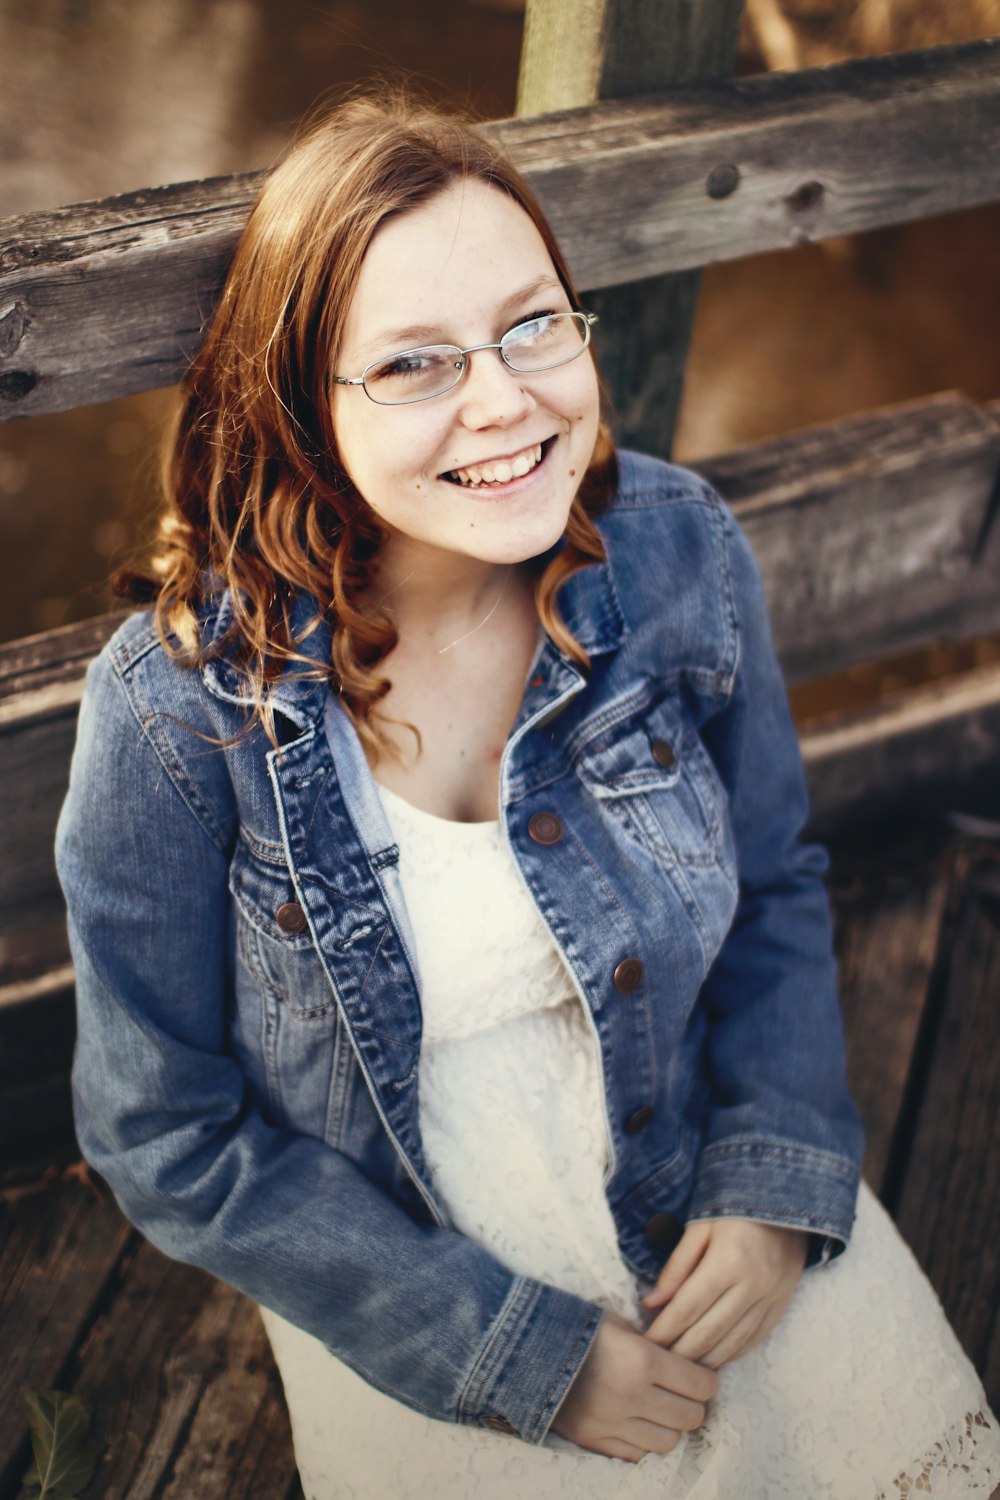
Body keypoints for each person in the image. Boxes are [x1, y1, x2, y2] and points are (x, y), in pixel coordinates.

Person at [56, 92, 1000, 1499]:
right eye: (416, 363)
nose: (506, 399)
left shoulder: (674, 558)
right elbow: (165, 1134)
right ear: (301, 403)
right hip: (410, 1264)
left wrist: (773, 1181)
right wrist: (511, 1354)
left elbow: (775, 887)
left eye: (534, 323)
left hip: (695, 1164)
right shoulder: (180, 716)